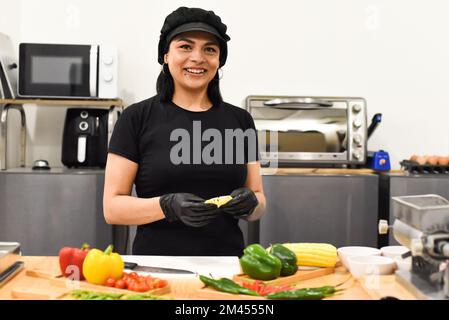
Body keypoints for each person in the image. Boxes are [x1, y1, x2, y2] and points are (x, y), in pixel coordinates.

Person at [103, 6, 266, 256]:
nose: (198, 58)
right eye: (185, 47)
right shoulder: (136, 118)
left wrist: (251, 204)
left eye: (209, 49)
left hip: (228, 266)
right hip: (157, 269)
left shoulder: (240, 120)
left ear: (219, 60)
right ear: (166, 55)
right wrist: (166, 206)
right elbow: (112, 208)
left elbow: (259, 201)